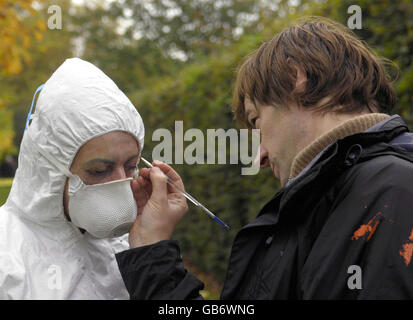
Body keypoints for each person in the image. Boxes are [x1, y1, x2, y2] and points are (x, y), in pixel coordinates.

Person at [115, 17, 413, 299]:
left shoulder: (393, 192)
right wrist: (151, 248)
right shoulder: (333, 198)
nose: (261, 158)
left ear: (296, 77)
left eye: (256, 121)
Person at [0, 57, 183, 299]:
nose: (120, 184)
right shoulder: (8, 257)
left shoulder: (131, 246)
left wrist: (151, 251)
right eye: (99, 171)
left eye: (131, 166)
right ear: (50, 169)